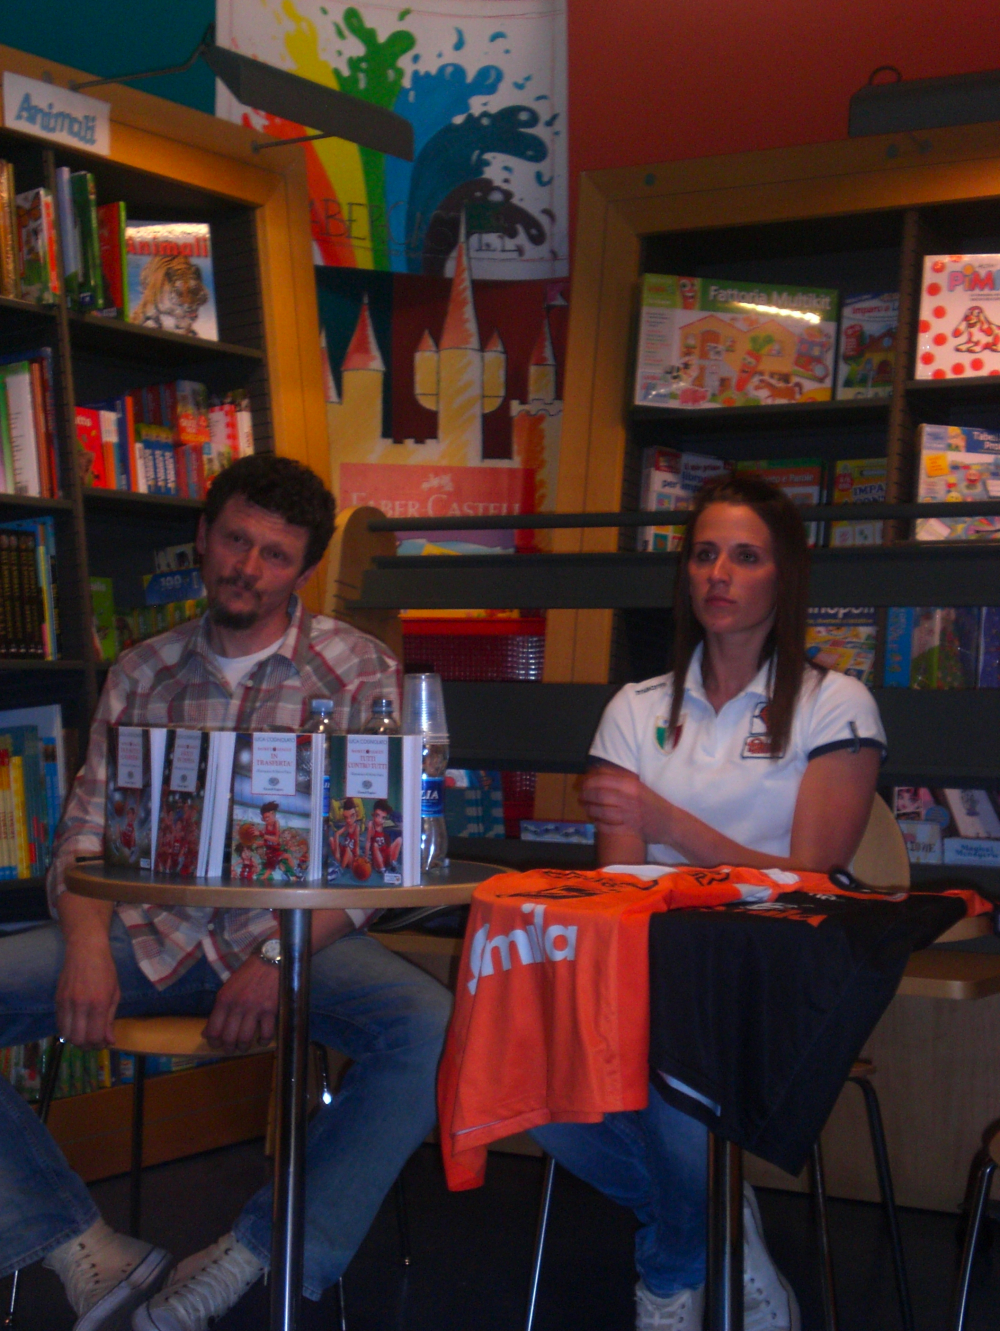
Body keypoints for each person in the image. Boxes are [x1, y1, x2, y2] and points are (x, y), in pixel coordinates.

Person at [0, 454, 452, 1331]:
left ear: (303, 570)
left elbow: (378, 861)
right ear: (203, 537)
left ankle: (259, 1251)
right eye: (236, 540)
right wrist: (86, 944)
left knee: (431, 1026)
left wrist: (279, 956)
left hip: (300, 939)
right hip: (144, 935)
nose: (248, 567)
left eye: (275, 554)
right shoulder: (143, 670)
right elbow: (84, 835)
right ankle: (80, 1244)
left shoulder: (360, 670)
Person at [531, 472, 886, 1331]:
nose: (719, 573)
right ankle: (723, 1233)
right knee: (534, 1072)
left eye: (745, 556)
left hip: (787, 961)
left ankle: (672, 1268)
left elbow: (813, 880)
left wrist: (668, 823)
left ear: (783, 576)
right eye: (704, 554)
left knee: (674, 1058)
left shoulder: (836, 702)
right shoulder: (635, 707)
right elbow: (620, 887)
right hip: (660, 958)